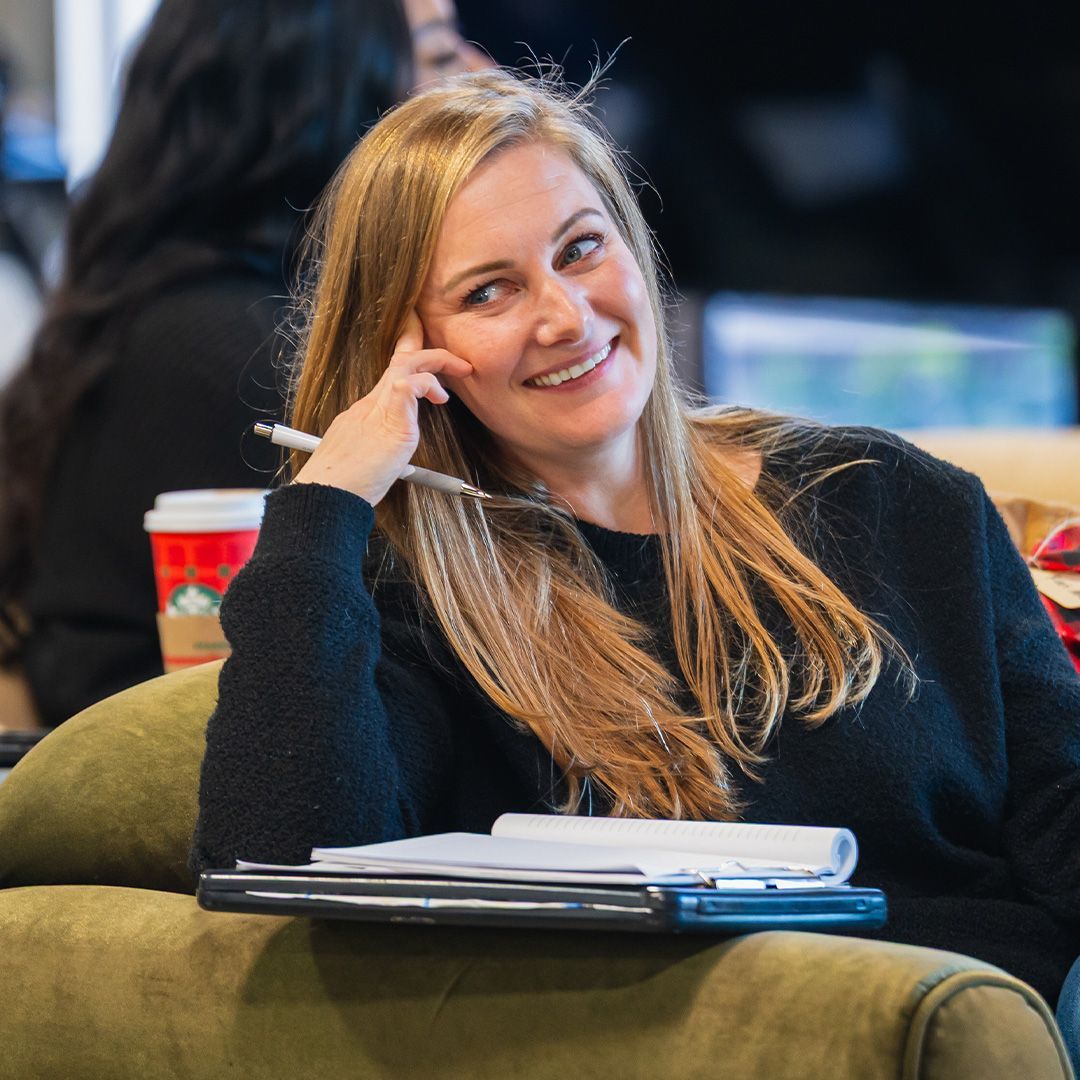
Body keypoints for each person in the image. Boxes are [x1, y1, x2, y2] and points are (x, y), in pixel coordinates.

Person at [191, 70, 1080, 1034]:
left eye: (581, 249)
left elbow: (1061, 818)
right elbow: (275, 868)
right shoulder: (417, 600)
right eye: (489, 292)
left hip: (1000, 1019)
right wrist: (326, 504)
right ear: (405, 351)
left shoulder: (894, 498)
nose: (566, 317)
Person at [0, 0, 452, 729]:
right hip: (186, 779)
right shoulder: (236, 357)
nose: (481, 75)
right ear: (330, 97)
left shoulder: (160, 309)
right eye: (437, 55)